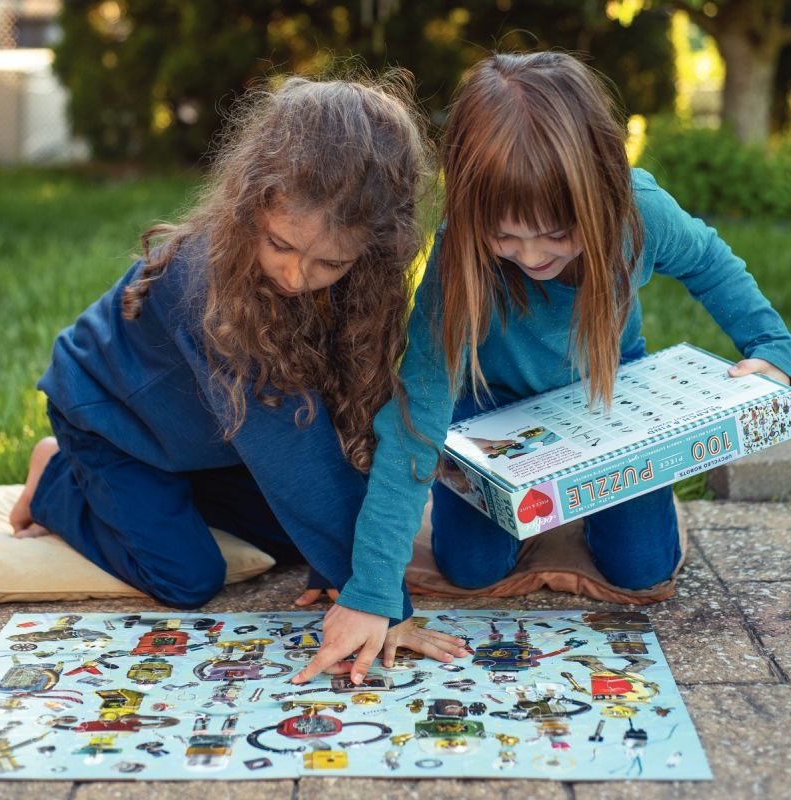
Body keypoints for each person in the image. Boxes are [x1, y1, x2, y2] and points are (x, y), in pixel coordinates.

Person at [291, 51, 791, 684]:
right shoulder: (458, 256)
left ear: (600, 191)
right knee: (471, 567)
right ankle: (517, 509)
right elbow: (416, 414)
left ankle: (576, 506)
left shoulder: (639, 212)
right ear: (473, 212)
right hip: (490, 400)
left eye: (556, 233)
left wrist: (773, 347)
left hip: (606, 390)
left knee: (644, 567)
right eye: (506, 237)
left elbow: (711, 263)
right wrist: (372, 591)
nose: (531, 256)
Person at [8, 70, 468, 683]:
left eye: (330, 261)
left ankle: (175, 496)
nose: (298, 275)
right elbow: (292, 458)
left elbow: (337, 427)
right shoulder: (210, 288)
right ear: (252, 202)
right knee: (187, 578)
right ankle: (57, 480)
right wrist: (383, 604)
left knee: (291, 540)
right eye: (280, 244)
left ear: (372, 249)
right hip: (115, 421)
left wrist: (342, 568)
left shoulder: (355, 278)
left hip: (211, 436)